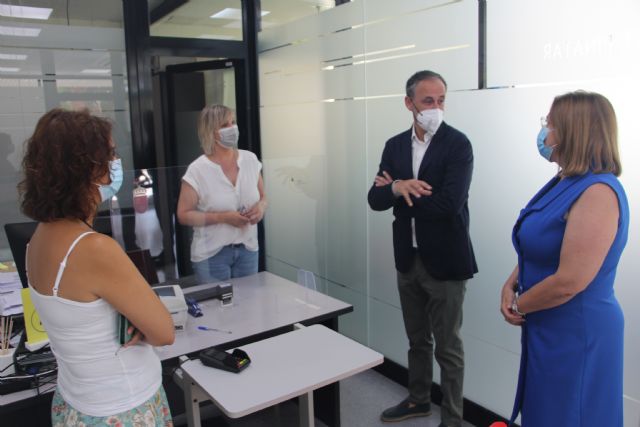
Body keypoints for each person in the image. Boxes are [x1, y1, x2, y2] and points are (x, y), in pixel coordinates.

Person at [19, 109, 175, 426]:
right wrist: (140, 320)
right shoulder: (94, 249)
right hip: (122, 408)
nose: (116, 164)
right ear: (88, 169)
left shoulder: (38, 238)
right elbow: (163, 332)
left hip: (73, 405)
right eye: (111, 155)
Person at [500, 91, 628, 426]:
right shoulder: (565, 181)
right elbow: (543, 243)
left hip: (577, 330)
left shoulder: (598, 192)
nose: (545, 131)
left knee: (572, 414)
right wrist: (512, 282)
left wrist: (519, 304)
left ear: (574, 130)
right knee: (546, 412)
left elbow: (570, 281)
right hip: (548, 322)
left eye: (550, 123)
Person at [368, 70, 477, 427]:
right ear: (409, 103)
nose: (435, 107)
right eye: (428, 100)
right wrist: (397, 187)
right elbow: (375, 199)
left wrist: (400, 191)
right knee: (417, 340)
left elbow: (450, 203)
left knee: (448, 348)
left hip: (446, 260)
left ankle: (453, 419)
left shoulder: (458, 145)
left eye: (441, 100)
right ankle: (418, 400)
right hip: (408, 258)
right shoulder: (395, 146)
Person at [177, 104, 266, 284]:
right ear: (211, 131)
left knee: (250, 301)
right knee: (218, 303)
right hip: (211, 255)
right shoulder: (197, 170)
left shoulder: (250, 160)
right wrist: (223, 217)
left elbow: (263, 198)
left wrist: (261, 209)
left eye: (233, 122)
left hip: (248, 250)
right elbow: (183, 215)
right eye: (225, 125)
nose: (232, 128)